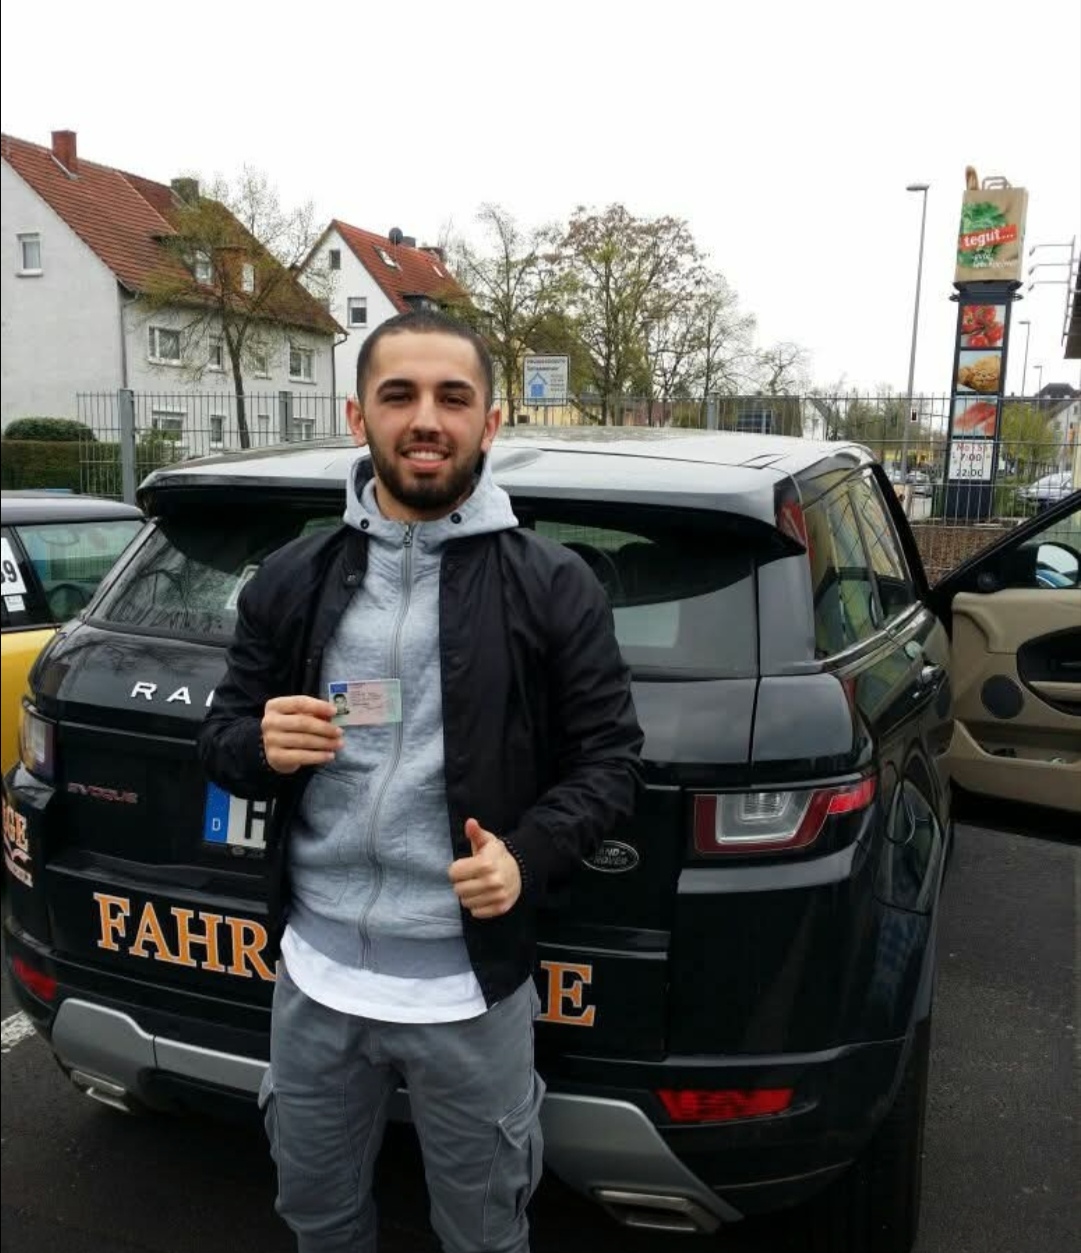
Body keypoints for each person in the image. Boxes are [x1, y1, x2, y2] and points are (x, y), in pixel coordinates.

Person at [198, 310, 643, 1253]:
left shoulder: (552, 584)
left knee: (482, 1236)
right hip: (314, 980)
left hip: (468, 991)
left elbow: (610, 762)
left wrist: (526, 854)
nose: (426, 418)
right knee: (318, 1222)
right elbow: (223, 738)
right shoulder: (292, 578)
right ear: (357, 416)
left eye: (453, 396)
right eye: (398, 395)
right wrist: (258, 743)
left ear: (491, 421)